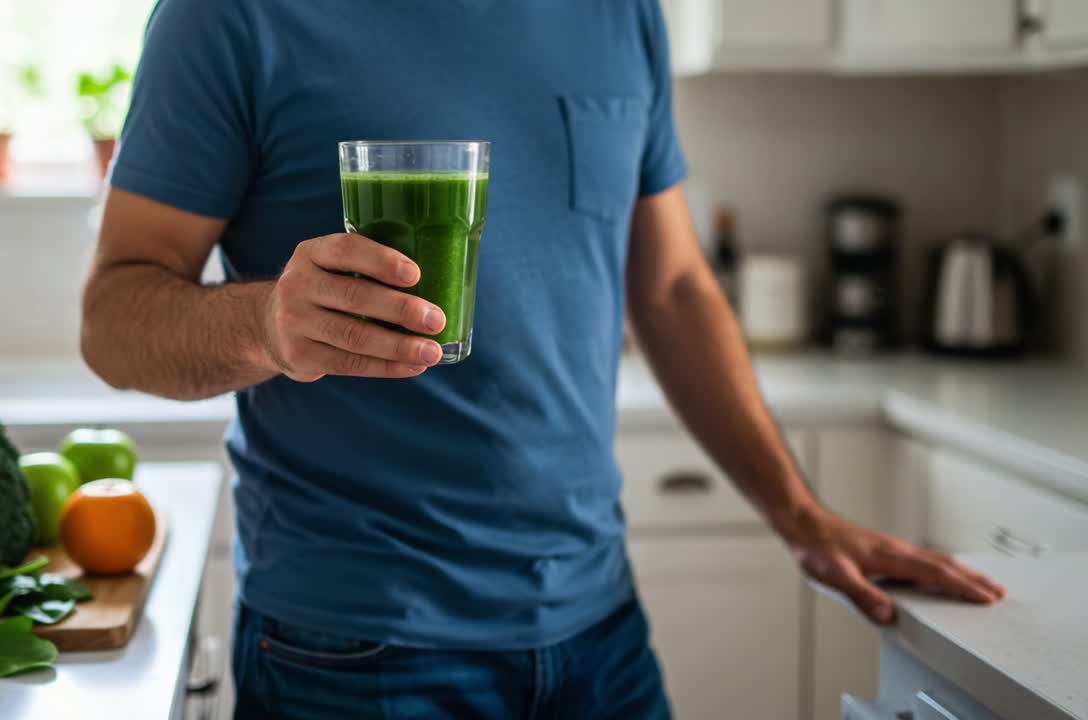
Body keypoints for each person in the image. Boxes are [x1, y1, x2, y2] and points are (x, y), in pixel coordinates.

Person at [80, 1, 1006, 717]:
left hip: (599, 631)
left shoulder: (622, 11)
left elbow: (673, 285)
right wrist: (268, 325)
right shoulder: (230, 17)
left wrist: (801, 514)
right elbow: (115, 314)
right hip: (353, 651)